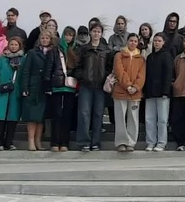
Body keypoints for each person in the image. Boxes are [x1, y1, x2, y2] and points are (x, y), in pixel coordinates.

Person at [71, 23, 111, 151]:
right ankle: (84, 142)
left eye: (98, 32)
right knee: (84, 113)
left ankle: (96, 142)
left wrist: (104, 77)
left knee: (98, 114)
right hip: (85, 86)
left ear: (101, 34)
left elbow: (109, 67)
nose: (96, 34)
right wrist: (82, 76)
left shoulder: (106, 50)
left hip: (100, 87)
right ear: (90, 33)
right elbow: (77, 67)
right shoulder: (83, 49)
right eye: (94, 31)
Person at [0, 36, 25, 150]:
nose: (13, 47)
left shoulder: (23, 60)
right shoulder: (1, 59)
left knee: (12, 119)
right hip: (1, 91)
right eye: (11, 44)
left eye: (16, 45)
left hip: (15, 92)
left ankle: (9, 142)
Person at [19, 31, 55, 151]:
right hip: (33, 86)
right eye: (43, 38)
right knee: (32, 116)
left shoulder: (52, 52)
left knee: (41, 117)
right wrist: (25, 87)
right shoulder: (32, 53)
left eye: (47, 38)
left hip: (44, 88)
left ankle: (38, 141)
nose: (45, 40)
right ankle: (31, 141)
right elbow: (26, 71)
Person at [111, 33, 146, 152]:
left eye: (135, 41)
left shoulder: (141, 58)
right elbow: (119, 71)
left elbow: (142, 75)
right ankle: (121, 142)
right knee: (120, 118)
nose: (133, 43)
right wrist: (127, 86)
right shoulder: (119, 55)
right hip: (120, 91)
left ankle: (131, 142)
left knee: (133, 118)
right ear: (127, 41)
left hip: (135, 93)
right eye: (131, 40)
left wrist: (135, 87)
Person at [46, 26, 78, 152]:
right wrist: (48, 85)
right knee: (57, 114)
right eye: (67, 35)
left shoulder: (76, 50)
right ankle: (55, 142)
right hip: (57, 86)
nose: (68, 37)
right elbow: (49, 68)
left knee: (67, 115)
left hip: (70, 87)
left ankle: (65, 142)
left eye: (71, 35)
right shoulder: (54, 50)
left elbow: (78, 69)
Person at [143, 32, 174, 151]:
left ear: (163, 42)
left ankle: (161, 142)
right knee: (149, 118)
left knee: (162, 119)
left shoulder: (167, 56)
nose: (156, 43)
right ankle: (150, 142)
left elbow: (168, 75)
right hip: (150, 91)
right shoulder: (150, 57)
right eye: (155, 40)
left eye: (159, 41)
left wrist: (166, 91)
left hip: (162, 92)